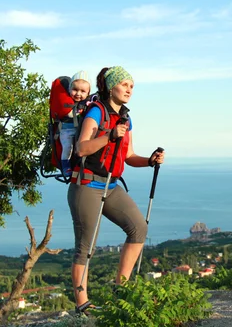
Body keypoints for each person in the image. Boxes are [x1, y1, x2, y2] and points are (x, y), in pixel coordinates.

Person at [67, 65, 164, 315]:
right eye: (125, 84)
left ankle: (123, 290)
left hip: (110, 185)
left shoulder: (126, 118)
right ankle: (82, 304)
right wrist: (109, 136)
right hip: (86, 185)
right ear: (112, 87)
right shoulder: (96, 112)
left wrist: (150, 160)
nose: (129, 89)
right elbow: (82, 148)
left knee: (138, 228)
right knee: (86, 247)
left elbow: (128, 155)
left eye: (132, 86)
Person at [59, 70, 91, 176]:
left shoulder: (88, 103)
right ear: (69, 89)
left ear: (88, 93)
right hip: (66, 129)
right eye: (75, 90)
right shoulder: (68, 102)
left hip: (79, 130)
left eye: (83, 91)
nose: (78, 94)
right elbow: (69, 114)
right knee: (67, 147)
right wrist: (78, 110)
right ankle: (65, 166)